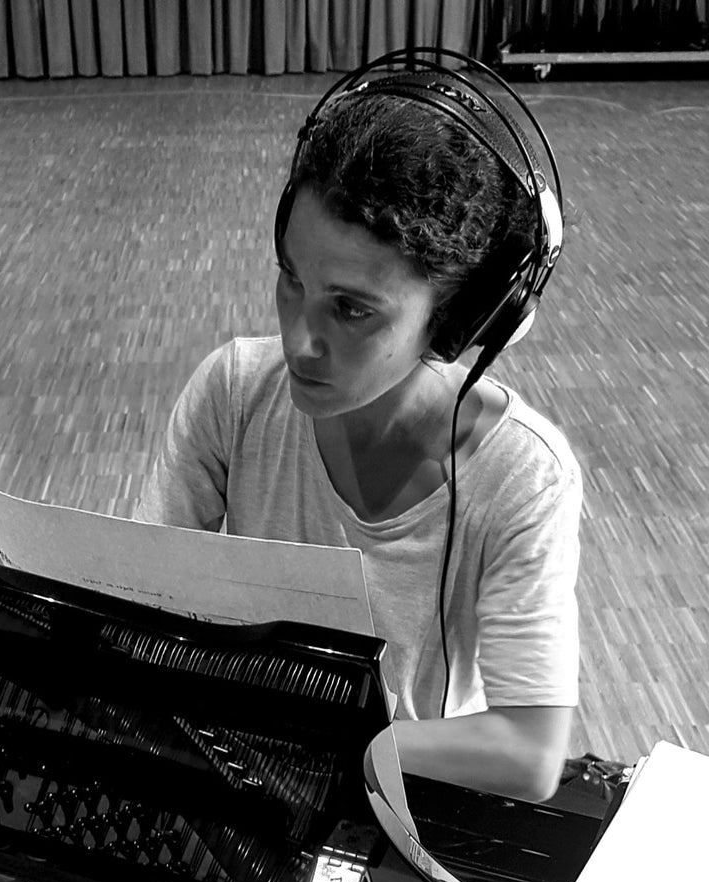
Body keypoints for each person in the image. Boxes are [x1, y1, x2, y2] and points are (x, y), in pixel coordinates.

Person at [136, 57, 580, 804]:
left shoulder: (521, 476)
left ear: (458, 321)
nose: (299, 340)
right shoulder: (236, 391)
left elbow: (528, 754)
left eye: (350, 309)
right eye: (290, 279)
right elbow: (134, 603)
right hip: (243, 772)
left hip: (410, 796)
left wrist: (336, 743)